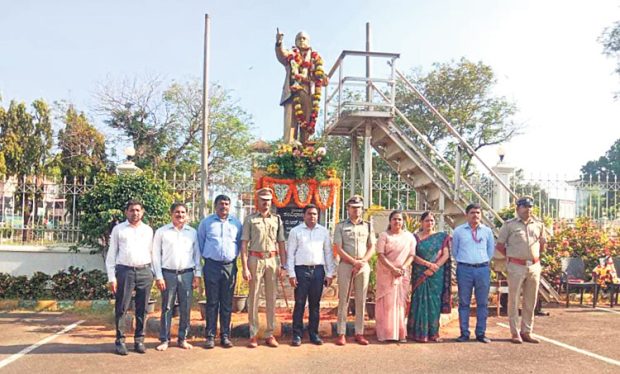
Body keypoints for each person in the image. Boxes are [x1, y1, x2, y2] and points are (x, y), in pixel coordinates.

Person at [105, 200, 154, 355]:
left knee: (142, 309)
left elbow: (153, 253)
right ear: (126, 212)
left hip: (144, 272)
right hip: (125, 272)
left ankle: (139, 340)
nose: (135, 213)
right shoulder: (119, 230)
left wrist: (153, 273)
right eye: (132, 210)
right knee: (122, 307)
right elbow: (111, 254)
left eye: (138, 210)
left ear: (142, 212)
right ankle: (120, 341)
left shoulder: (148, 230)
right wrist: (112, 278)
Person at [496, 196, 547, 344]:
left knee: (531, 300)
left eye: (530, 207)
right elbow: (500, 246)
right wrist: (511, 257)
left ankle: (527, 331)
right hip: (516, 266)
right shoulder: (509, 225)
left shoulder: (538, 225)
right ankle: (514, 332)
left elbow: (542, 247)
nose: (528, 209)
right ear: (517, 209)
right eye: (525, 207)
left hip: (534, 265)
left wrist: (543, 245)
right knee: (514, 299)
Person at [240, 187, 287, 348]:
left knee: (271, 298)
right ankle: (253, 334)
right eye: (263, 200)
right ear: (257, 201)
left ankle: (269, 333)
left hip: (272, 260)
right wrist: (245, 267)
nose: (266, 203)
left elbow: (281, 243)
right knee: (253, 297)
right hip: (255, 259)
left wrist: (284, 265)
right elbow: (244, 243)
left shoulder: (277, 219)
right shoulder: (250, 219)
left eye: (268, 200)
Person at [152, 202, 201, 351]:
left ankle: (183, 338)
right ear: (171, 214)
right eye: (177, 212)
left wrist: (197, 274)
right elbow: (155, 255)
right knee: (167, 307)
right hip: (168, 274)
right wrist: (158, 276)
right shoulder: (162, 232)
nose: (180, 215)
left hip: (187, 273)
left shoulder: (192, 232)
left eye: (183, 213)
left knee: (186, 307)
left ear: (187, 215)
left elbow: (197, 254)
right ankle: (165, 339)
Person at [286, 204, 336, 346]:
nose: (312, 216)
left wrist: (330, 273)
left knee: (315, 304)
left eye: (314, 214)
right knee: (300, 303)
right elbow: (290, 254)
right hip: (301, 271)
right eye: (309, 214)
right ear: (304, 215)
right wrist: (291, 274)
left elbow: (328, 253)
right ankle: (297, 335)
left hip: (318, 271)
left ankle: (314, 334)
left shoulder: (323, 232)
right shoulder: (296, 232)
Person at [197, 194, 242, 349]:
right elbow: (200, 243)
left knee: (227, 303)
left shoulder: (236, 223)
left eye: (227, 204)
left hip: (229, 266)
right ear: (215, 206)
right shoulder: (207, 223)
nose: (224, 207)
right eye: (221, 204)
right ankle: (210, 336)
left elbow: (240, 244)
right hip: (212, 266)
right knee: (212, 302)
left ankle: (225, 336)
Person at [334, 195, 376, 346]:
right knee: (344, 299)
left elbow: (372, 246)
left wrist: (362, 261)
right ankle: (341, 332)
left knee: (361, 300)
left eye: (358, 208)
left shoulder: (368, 226)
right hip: (346, 264)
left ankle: (360, 332)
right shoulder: (340, 226)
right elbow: (338, 248)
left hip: (363, 265)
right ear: (348, 209)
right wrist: (353, 262)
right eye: (353, 207)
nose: (356, 210)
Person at [452, 203, 495, 343]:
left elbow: (490, 251)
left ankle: (481, 333)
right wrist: (466, 262)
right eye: (472, 212)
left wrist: (481, 262)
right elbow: (455, 250)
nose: (475, 215)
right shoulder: (458, 231)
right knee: (464, 302)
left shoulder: (487, 231)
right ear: (467, 215)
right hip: (464, 269)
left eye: (478, 213)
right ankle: (464, 333)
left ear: (481, 215)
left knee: (482, 303)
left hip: (482, 269)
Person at [275, 29, 326, 144]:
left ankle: (306, 150)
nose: (301, 40)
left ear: (309, 42)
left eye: (304, 38)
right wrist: (279, 42)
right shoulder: (291, 54)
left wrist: (323, 77)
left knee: (307, 125)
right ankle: (288, 150)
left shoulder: (315, 58)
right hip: (292, 93)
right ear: (295, 41)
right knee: (290, 125)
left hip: (309, 93)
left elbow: (322, 76)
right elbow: (281, 54)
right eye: (299, 38)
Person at [407, 211, 452, 342]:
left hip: (436, 275)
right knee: (418, 301)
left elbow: (446, 255)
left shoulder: (441, 237)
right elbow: (412, 255)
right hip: (420, 273)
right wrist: (427, 265)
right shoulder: (414, 238)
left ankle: (433, 333)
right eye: (427, 220)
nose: (430, 223)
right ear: (422, 222)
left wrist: (435, 267)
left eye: (432, 221)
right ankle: (416, 333)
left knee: (434, 303)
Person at [375, 210, 416, 342]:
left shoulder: (409, 237)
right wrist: (392, 269)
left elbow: (411, 255)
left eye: (399, 219)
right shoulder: (384, 236)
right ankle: (386, 334)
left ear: (403, 221)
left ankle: (400, 333)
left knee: (400, 304)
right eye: (395, 219)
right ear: (390, 221)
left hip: (402, 274)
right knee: (387, 304)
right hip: (386, 274)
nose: (397, 221)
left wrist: (403, 268)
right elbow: (380, 255)